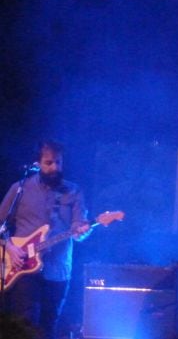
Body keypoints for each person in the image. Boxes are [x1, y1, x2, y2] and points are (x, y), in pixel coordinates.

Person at [0, 140, 91, 339]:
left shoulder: (74, 191)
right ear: (37, 163)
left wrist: (81, 231)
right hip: (22, 266)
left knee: (50, 324)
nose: (55, 167)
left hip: (58, 268)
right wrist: (9, 246)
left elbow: (79, 226)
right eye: (49, 163)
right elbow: (1, 225)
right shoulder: (20, 189)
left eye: (58, 162)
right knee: (25, 322)